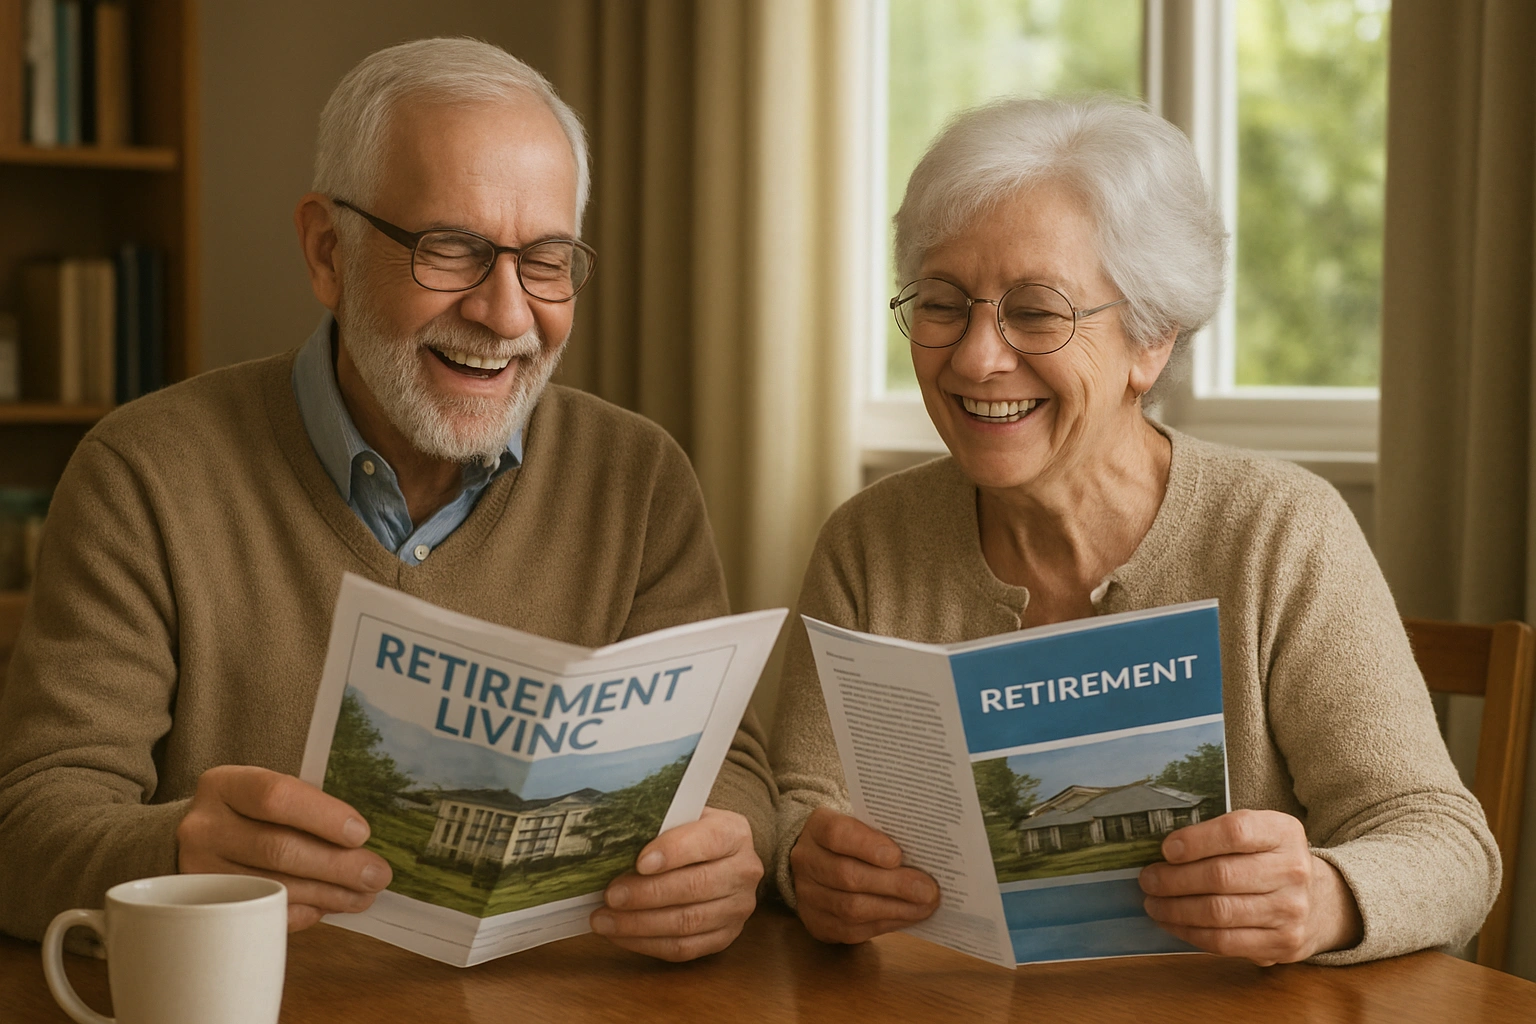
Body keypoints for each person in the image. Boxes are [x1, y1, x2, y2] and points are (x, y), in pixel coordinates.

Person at [0, 38, 772, 963]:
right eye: (451, 250)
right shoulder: (144, 473)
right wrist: (176, 855)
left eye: (547, 260)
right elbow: (29, 831)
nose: (505, 313)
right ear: (328, 250)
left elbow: (734, 768)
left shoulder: (638, 476)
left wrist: (725, 849)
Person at [769, 97, 1499, 966]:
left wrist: (1326, 899)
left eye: (1037, 312)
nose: (975, 357)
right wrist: (805, 863)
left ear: (1151, 338)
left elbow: (1444, 844)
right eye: (941, 304)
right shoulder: (869, 543)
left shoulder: (1277, 531)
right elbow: (800, 796)